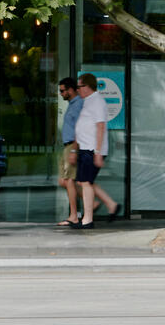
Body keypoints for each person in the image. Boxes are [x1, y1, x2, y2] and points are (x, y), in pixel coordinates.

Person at [73, 73, 119, 229]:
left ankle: (88, 219)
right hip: (86, 147)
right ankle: (110, 204)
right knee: (83, 182)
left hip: (92, 149)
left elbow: (100, 126)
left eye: (79, 86)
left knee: (85, 183)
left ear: (87, 86)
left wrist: (98, 152)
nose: (78, 90)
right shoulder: (88, 101)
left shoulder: (97, 101)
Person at [56, 77, 85, 226]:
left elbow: (81, 129)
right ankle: (90, 203)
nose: (61, 94)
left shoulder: (78, 104)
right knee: (63, 180)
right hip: (68, 146)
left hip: (72, 146)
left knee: (69, 181)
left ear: (71, 90)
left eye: (62, 90)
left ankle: (74, 215)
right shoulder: (72, 104)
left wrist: (74, 149)